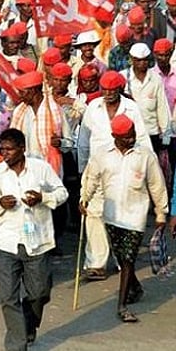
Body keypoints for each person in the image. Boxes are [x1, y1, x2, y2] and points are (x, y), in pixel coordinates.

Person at [79, 115, 168, 323]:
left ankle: (122, 305)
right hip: (111, 215)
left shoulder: (145, 156)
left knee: (128, 260)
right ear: (114, 137)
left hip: (135, 217)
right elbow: (92, 178)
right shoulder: (102, 156)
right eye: (126, 137)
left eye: (132, 135)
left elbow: (157, 185)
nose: (131, 139)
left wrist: (161, 213)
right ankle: (135, 287)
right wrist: (84, 198)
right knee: (121, 257)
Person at [0, 128, 68, 351]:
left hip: (37, 241)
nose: (5, 153)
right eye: (1, 149)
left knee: (39, 293)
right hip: (7, 241)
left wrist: (43, 198)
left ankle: (28, 326)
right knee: (8, 297)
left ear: (22, 149)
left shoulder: (40, 169)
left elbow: (62, 193)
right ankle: (17, 343)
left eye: (9, 149)